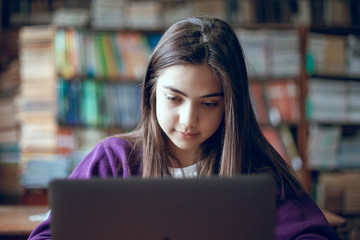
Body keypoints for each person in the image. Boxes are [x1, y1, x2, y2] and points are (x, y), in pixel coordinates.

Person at [28, 16, 340, 240]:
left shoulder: (258, 171)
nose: (188, 120)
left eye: (208, 103)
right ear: (152, 91)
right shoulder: (113, 160)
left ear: (231, 105)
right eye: (174, 98)